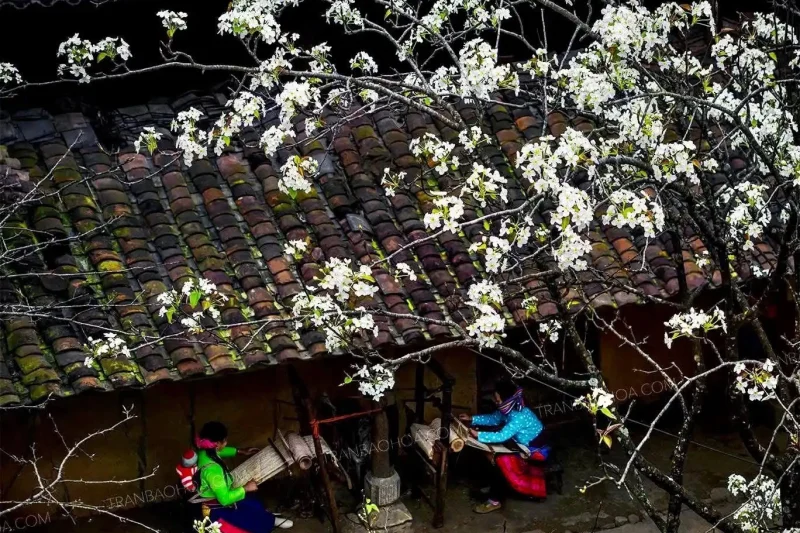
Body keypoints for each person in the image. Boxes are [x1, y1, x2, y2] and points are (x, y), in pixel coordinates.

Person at [459, 379, 547, 514]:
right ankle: (490, 486)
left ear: (507, 401)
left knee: (500, 460)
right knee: (487, 454)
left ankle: (495, 500)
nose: (496, 402)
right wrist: (472, 419)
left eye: (498, 400)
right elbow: (494, 418)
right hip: (518, 443)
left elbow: (502, 436)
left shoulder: (519, 416)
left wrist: (478, 435)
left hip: (536, 449)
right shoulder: (509, 408)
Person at [194, 421, 294, 531]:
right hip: (217, 508)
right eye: (225, 440)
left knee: (253, 503)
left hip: (219, 497)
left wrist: (240, 451)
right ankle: (269, 521)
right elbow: (225, 500)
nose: (226, 443)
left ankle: (271, 520)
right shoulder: (213, 471)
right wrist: (246, 488)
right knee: (247, 518)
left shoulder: (204, 452)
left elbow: (219, 452)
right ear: (217, 444)